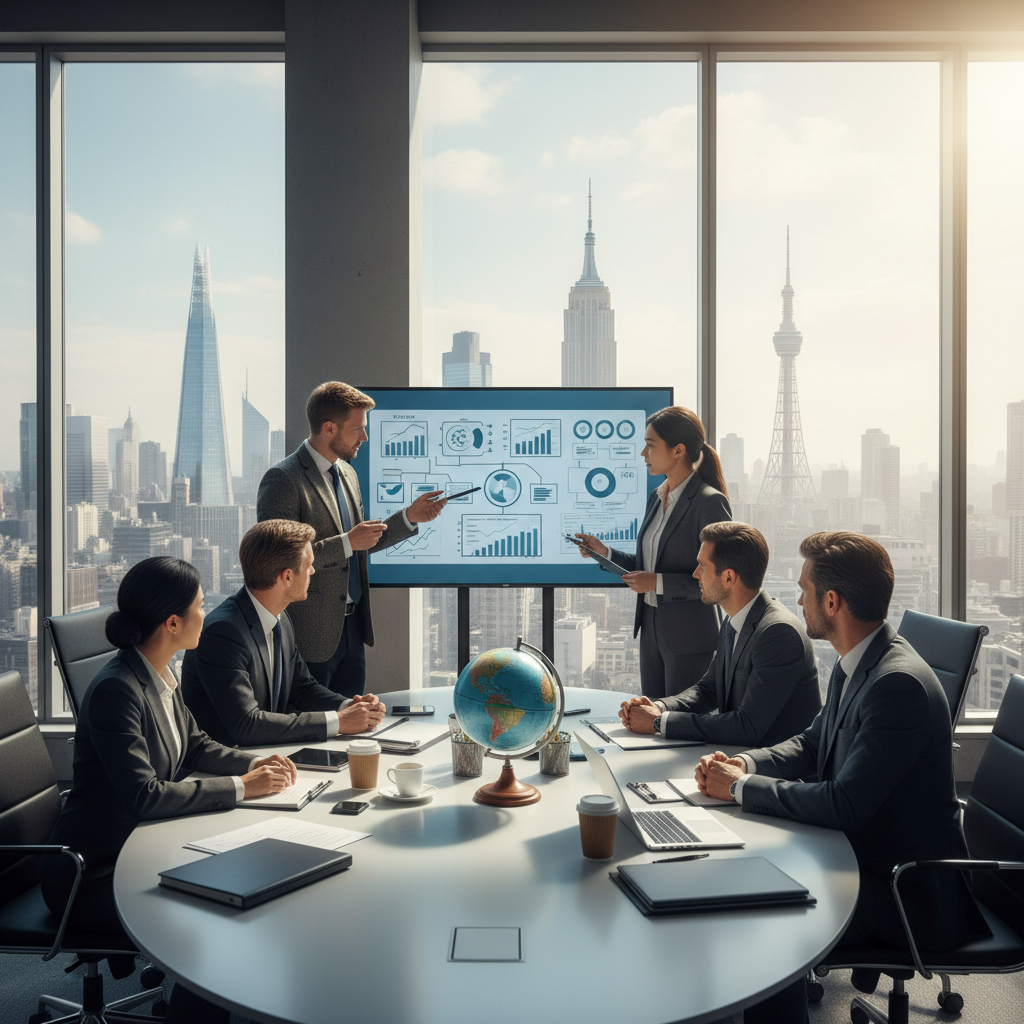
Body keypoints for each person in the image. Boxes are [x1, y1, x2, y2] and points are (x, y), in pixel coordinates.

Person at [695, 532, 986, 1024]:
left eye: (804, 590)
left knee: (767, 917)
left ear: (833, 601)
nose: (798, 600)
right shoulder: (859, 662)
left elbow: (845, 803)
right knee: (739, 880)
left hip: (905, 894)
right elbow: (813, 742)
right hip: (864, 858)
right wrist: (747, 766)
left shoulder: (897, 685)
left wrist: (740, 791)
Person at [40, 557, 297, 1024]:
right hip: (93, 874)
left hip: (138, 848)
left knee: (250, 880)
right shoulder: (118, 690)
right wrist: (242, 786)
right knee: (216, 912)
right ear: (173, 621)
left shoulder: (159, 673)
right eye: (200, 606)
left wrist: (254, 763)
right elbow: (147, 796)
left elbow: (195, 745)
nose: (208, 613)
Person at [257, 381, 447, 697]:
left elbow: (361, 543)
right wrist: (346, 542)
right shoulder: (283, 479)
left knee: (351, 727)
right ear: (329, 428)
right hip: (310, 636)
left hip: (352, 630)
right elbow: (279, 561)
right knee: (313, 730)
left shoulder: (347, 473)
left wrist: (409, 517)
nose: (365, 437)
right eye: (358, 429)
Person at [181, 520, 386, 746]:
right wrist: (338, 721)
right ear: (287, 577)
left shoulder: (280, 618)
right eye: (308, 565)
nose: (313, 571)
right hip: (226, 767)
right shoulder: (223, 633)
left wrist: (350, 707)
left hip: (269, 757)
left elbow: (301, 688)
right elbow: (247, 725)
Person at [575, 405, 732, 700]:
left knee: (680, 728)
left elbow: (720, 580)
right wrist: (605, 552)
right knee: (653, 719)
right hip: (650, 627)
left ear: (678, 450)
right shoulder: (656, 496)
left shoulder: (708, 501)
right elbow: (649, 565)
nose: (643, 454)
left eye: (650, 445)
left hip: (689, 636)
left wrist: (657, 583)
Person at [618, 521, 820, 746]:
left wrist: (659, 723)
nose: (695, 575)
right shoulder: (734, 620)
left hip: (774, 772)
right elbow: (708, 690)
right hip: (735, 760)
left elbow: (747, 726)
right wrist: (659, 707)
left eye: (702, 566)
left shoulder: (779, 634)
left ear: (729, 578)